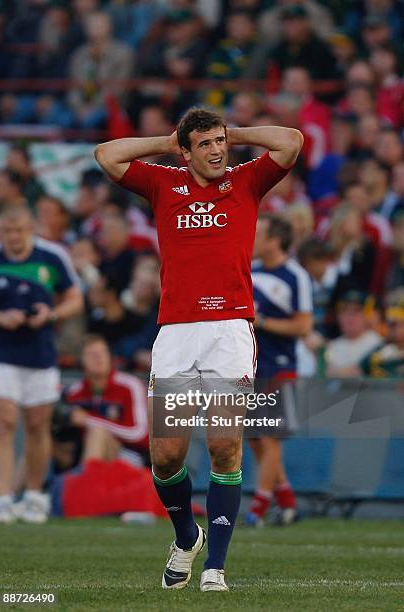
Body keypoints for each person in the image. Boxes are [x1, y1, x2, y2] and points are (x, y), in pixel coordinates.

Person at [95, 107, 303, 591]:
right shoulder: (164, 184)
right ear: (186, 151)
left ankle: (216, 567)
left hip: (229, 330)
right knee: (166, 456)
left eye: (219, 142)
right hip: (176, 332)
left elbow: (290, 141)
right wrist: (167, 144)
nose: (215, 150)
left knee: (224, 445)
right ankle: (187, 536)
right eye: (204, 144)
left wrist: (236, 133)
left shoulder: (247, 181)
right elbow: (106, 154)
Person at [0, 206, 83, 524]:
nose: (14, 238)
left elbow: (75, 297)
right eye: (8, 231)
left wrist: (52, 314)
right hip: (1, 352)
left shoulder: (52, 256)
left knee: (37, 425)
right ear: (1, 232)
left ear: (30, 229)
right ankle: (2, 498)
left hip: (41, 352)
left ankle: (34, 496)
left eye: (20, 231)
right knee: (3, 424)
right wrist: (1, 317)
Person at [246, 215, 313, 526]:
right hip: (252, 362)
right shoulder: (252, 270)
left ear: (274, 239)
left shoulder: (295, 275)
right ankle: (286, 501)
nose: (254, 238)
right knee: (256, 437)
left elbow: (304, 325)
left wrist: (265, 324)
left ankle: (258, 507)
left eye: (259, 234)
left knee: (270, 436)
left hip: (280, 365)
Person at [64, 334, 149, 467]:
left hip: (129, 454)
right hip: (81, 452)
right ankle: (31, 487)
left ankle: (86, 485)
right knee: (41, 430)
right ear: (81, 360)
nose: (99, 358)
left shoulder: (130, 385)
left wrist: (88, 420)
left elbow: (139, 433)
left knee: (98, 433)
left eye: (103, 352)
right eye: (92, 354)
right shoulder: (74, 392)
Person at [325, 291, 382, 377]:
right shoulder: (331, 346)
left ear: (367, 315)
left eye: (356, 310)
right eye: (344, 310)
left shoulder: (378, 343)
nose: (349, 316)